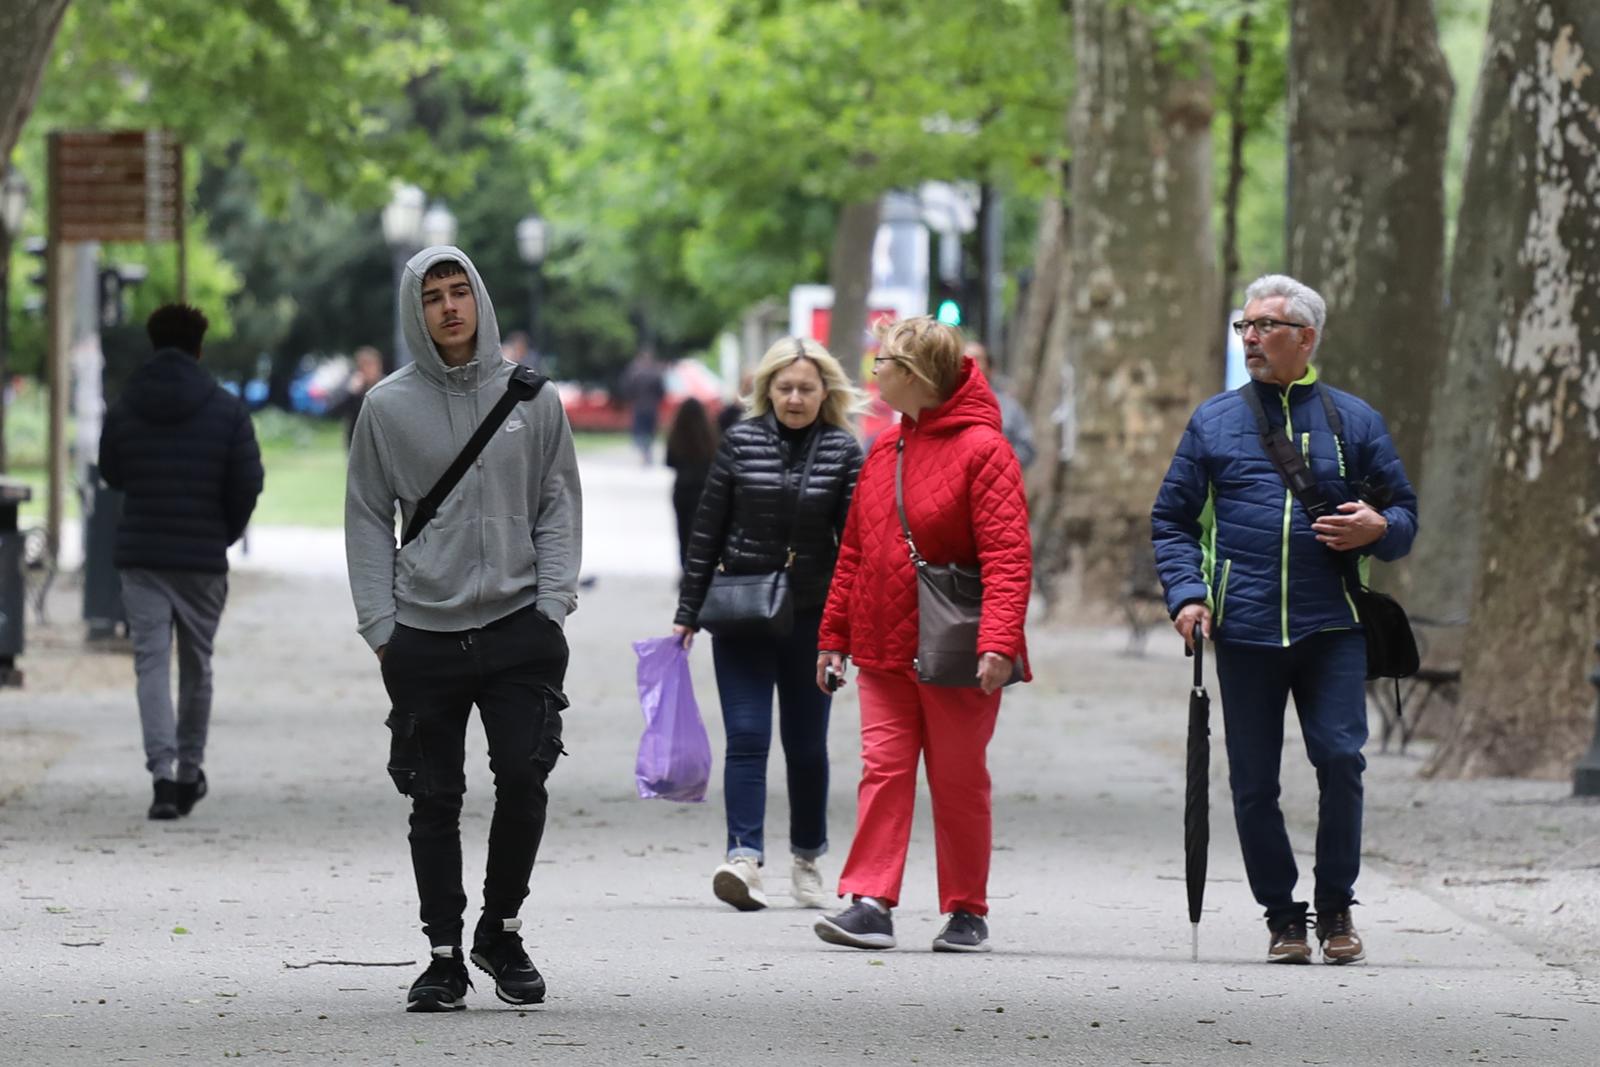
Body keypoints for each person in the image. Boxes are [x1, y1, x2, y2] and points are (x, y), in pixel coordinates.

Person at [1151, 273, 1418, 966]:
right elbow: (1172, 519)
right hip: (1243, 629)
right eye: (1244, 326)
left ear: (1306, 337)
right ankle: (1282, 915)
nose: (1250, 338)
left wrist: (1379, 527)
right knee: (1252, 782)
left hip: (1333, 626)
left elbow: (1404, 518)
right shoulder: (1214, 420)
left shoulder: (1354, 421)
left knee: (1341, 758)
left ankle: (1336, 905)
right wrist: (1188, 594)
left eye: (1265, 326)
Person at [344, 246, 582, 1012]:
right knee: (433, 795)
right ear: (416, 310)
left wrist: (552, 605)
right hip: (422, 632)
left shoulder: (533, 399)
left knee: (524, 776)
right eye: (433, 296)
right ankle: (443, 955)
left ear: (479, 296)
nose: (449, 307)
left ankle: (500, 930)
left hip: (519, 627)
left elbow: (558, 504)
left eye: (459, 291)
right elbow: (366, 516)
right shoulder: (386, 407)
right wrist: (382, 626)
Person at [812, 316, 1032, 954]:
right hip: (882, 643)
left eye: (882, 361)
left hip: (954, 648)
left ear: (913, 375)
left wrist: (999, 641)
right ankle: (870, 901)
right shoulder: (886, 448)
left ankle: (966, 909)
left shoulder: (985, 450)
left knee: (958, 780)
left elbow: (1008, 556)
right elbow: (855, 551)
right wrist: (833, 636)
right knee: (882, 771)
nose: (874, 371)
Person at [672, 338, 864, 912]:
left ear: (825, 392)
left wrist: (847, 628)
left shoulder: (843, 450)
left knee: (805, 746)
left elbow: (855, 547)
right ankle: (744, 859)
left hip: (812, 619)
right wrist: (687, 613)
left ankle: (807, 859)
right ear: (767, 391)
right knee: (748, 737)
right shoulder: (739, 442)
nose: (795, 398)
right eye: (785, 388)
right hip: (743, 612)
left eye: (806, 388)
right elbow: (706, 531)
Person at [98, 303, 263, 821]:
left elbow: (112, 471)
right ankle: (190, 770)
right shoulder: (227, 410)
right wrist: (222, 533)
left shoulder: (124, 405)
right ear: (199, 348)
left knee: (150, 663)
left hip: (142, 556)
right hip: (201, 560)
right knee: (197, 665)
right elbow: (248, 482)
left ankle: (162, 777)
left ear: (154, 345)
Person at [663, 397, 719, 574]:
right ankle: (699, 566)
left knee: (682, 531)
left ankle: (684, 566)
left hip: (682, 489)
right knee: (701, 532)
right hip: (704, 490)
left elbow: (669, 462)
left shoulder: (676, 436)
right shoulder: (710, 436)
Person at [965, 341, 1036, 469]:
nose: (969, 365)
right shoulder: (943, 405)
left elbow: (1027, 449)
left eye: (976, 359)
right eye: (963, 360)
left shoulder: (1009, 408)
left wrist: (999, 461)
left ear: (990, 369)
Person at [331, 345, 385, 448]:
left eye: (372, 365)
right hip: (357, 440)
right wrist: (351, 393)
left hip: (380, 439)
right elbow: (334, 412)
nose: (370, 370)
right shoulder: (351, 385)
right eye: (365, 366)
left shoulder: (385, 386)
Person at [620, 349, 667, 464]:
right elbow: (661, 391)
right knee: (649, 431)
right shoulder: (655, 374)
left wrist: (632, 399)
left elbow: (627, 389)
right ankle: (647, 452)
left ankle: (643, 453)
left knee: (640, 431)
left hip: (638, 406)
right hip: (651, 407)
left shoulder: (634, 373)